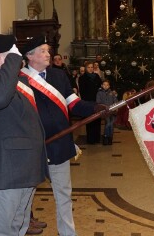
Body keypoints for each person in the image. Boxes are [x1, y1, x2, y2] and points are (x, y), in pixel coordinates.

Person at [21, 35, 103, 236]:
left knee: (64, 194)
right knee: (24, 197)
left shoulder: (58, 75)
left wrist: (96, 108)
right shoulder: (18, 79)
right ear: (30, 56)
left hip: (59, 144)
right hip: (33, 148)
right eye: (43, 51)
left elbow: (73, 103)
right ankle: (20, 231)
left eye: (48, 50)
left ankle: (68, 233)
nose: (48, 54)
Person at [0, 34, 48, 236]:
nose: (19, 60)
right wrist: (13, 62)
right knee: (1, 228)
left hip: (23, 166)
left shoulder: (9, 80)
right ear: (2, 58)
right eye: (14, 55)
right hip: (5, 168)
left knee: (18, 225)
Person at [78, 61, 102, 144]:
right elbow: (82, 91)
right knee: (90, 120)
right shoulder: (82, 78)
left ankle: (97, 138)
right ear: (85, 68)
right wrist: (86, 102)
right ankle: (91, 139)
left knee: (97, 119)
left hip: (97, 101)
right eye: (89, 67)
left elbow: (101, 87)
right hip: (88, 101)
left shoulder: (97, 76)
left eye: (92, 67)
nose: (91, 69)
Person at [96, 80, 118, 145]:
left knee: (111, 124)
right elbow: (98, 102)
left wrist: (114, 108)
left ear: (109, 86)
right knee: (108, 123)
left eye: (107, 85)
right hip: (104, 112)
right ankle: (106, 137)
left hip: (112, 111)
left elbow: (115, 101)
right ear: (102, 85)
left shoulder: (112, 93)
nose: (106, 86)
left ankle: (109, 138)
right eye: (104, 85)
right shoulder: (99, 93)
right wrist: (104, 107)